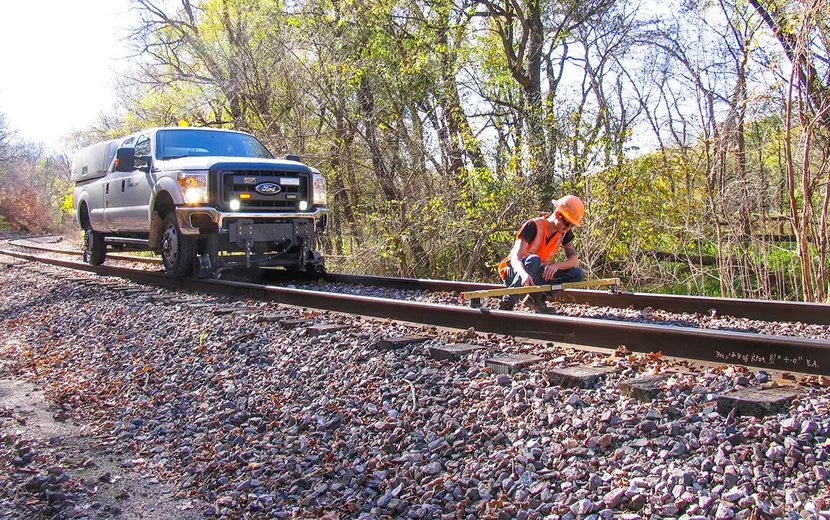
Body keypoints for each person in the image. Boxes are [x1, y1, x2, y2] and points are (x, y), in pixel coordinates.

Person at [497, 195, 586, 312]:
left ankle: (535, 299)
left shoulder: (564, 233)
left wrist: (556, 266)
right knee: (534, 260)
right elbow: (515, 259)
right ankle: (508, 302)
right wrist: (524, 274)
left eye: (571, 225)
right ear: (558, 215)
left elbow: (574, 261)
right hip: (515, 273)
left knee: (577, 274)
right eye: (567, 223)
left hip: (535, 275)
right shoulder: (533, 226)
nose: (567, 228)